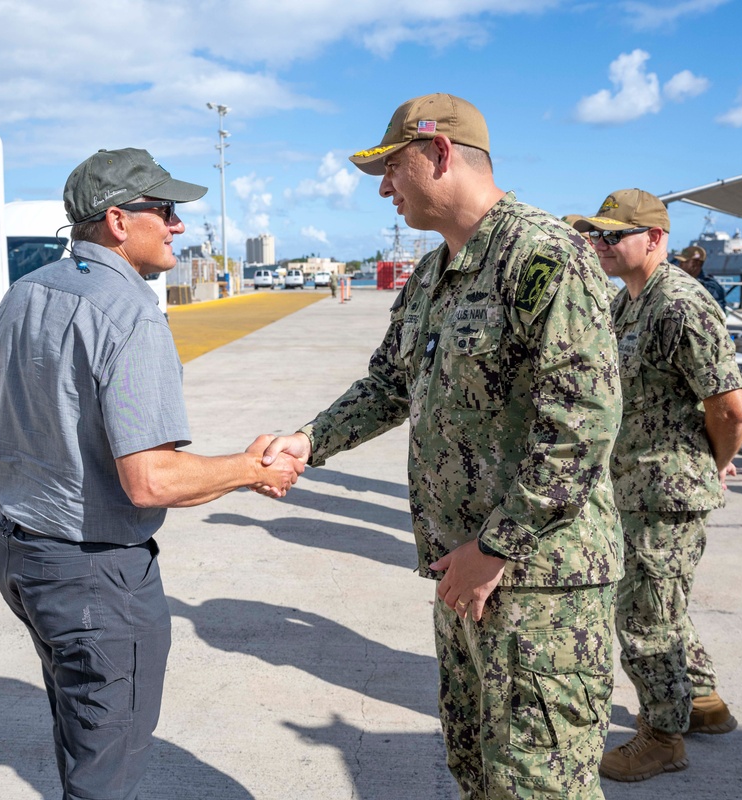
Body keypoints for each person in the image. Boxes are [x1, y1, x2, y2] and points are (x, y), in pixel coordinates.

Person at [260, 94, 624, 799]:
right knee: (477, 771)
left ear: (441, 154)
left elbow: (580, 427)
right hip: (464, 577)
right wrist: (308, 441)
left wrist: (495, 549)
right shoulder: (433, 274)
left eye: (392, 166)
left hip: (540, 584)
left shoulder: (545, 258)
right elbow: (389, 384)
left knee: (539, 786)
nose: (382, 187)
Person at [0, 147, 302, 800]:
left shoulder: (22, 295)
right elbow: (149, 480)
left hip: (22, 556)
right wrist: (250, 469)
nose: (178, 225)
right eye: (164, 209)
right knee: (108, 772)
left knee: (81, 735)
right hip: (93, 577)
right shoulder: (128, 313)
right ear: (117, 221)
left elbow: (3, 427)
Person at [571, 190, 742, 783]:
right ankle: (700, 703)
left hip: (665, 493)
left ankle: (662, 737)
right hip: (637, 486)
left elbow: (729, 408)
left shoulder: (679, 305)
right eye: (598, 235)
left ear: (655, 238)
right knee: (663, 604)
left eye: (614, 235)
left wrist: (713, 462)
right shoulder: (630, 303)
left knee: (646, 619)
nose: (602, 245)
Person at [676, 244, 728, 310]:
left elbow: (718, 312)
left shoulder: (709, 287)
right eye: (680, 261)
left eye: (684, 262)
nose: (680, 264)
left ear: (696, 264)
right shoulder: (680, 281)